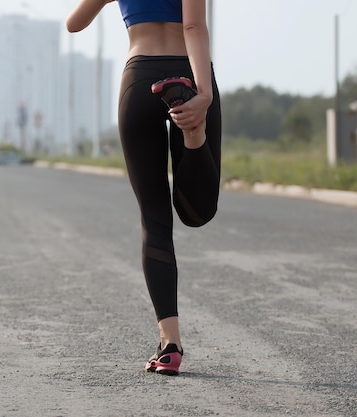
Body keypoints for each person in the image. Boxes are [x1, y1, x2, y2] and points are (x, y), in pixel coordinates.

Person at [66, 0, 221, 376]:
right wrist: (203, 96)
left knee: (154, 218)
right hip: (189, 71)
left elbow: (74, 24)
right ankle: (194, 137)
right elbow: (193, 28)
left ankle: (170, 345)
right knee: (197, 211)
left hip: (140, 78)